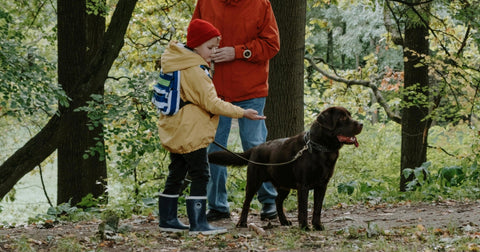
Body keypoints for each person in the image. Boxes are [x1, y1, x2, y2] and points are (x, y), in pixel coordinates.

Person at [157, 19, 266, 235]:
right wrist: (243, 112)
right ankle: (198, 224)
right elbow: (212, 103)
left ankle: (167, 220)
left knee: (176, 173)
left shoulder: (176, 62)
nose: (213, 52)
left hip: (176, 129)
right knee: (201, 174)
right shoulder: (195, 69)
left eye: (215, 47)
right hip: (191, 132)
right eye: (209, 47)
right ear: (196, 44)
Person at [192, 0, 281, 221]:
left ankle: (269, 202)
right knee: (213, 146)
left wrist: (239, 52)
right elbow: (193, 40)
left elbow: (272, 44)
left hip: (252, 89)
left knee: (255, 145)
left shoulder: (261, 4)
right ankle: (218, 206)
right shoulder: (205, 2)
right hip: (212, 90)